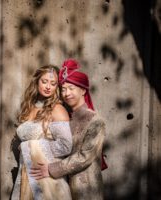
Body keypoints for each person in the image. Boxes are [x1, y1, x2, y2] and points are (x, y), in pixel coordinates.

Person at [30, 59, 107, 200]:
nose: (66, 93)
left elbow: (84, 158)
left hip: (86, 187)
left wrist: (51, 169)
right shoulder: (66, 117)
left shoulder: (96, 121)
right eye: (63, 89)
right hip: (64, 185)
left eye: (71, 88)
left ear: (83, 90)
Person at [11, 65, 73, 200]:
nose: (48, 87)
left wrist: (28, 146)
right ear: (37, 82)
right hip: (26, 172)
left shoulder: (57, 109)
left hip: (46, 176)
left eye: (53, 83)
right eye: (44, 81)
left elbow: (66, 146)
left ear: (57, 86)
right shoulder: (28, 108)